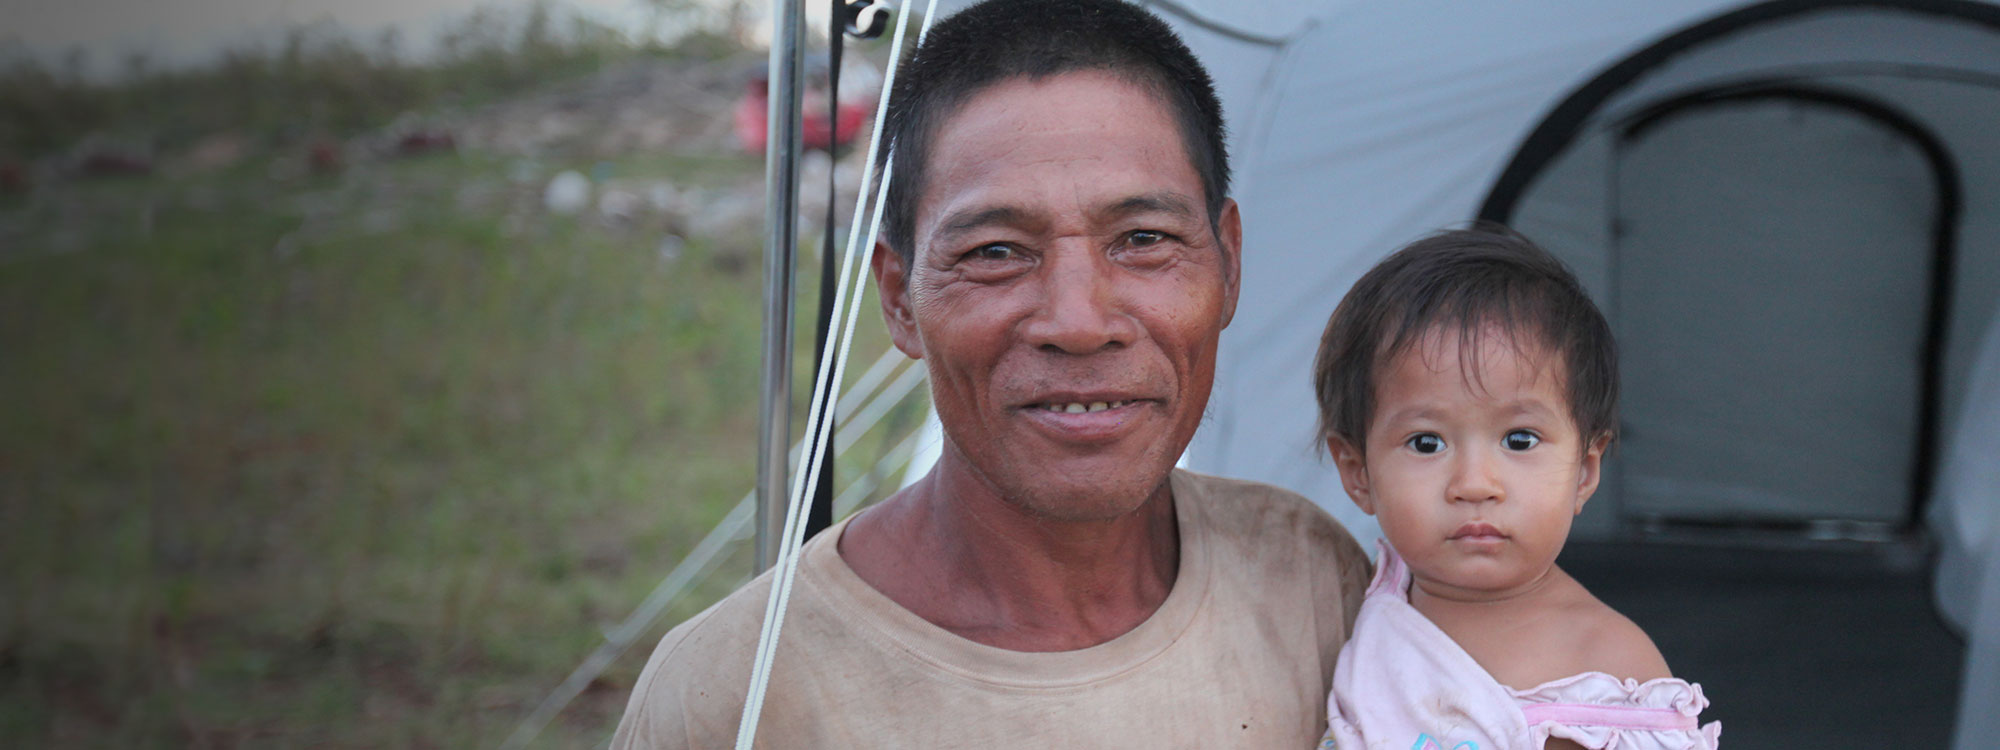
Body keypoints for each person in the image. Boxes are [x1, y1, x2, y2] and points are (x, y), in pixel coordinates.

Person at [611, 0, 1371, 747]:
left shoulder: (1306, 575)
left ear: (1228, 264)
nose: (1078, 323)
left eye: (1144, 238)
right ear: (898, 300)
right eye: (996, 252)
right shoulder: (736, 695)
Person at [1310, 227, 1720, 750]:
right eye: (1427, 443)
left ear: (1585, 471)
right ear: (1357, 471)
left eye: (1520, 440)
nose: (1475, 484)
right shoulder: (1370, 599)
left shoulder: (1606, 674)